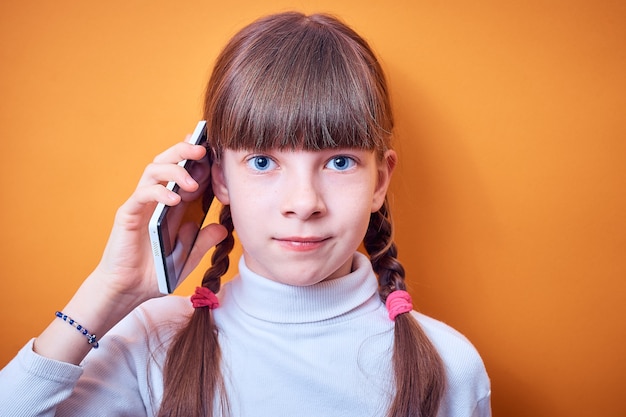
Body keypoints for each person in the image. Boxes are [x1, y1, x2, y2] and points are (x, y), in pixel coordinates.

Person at [0, 11, 491, 417]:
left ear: (379, 181)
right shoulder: (152, 343)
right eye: (263, 162)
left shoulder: (450, 367)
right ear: (219, 178)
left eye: (339, 162)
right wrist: (109, 292)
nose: (304, 202)